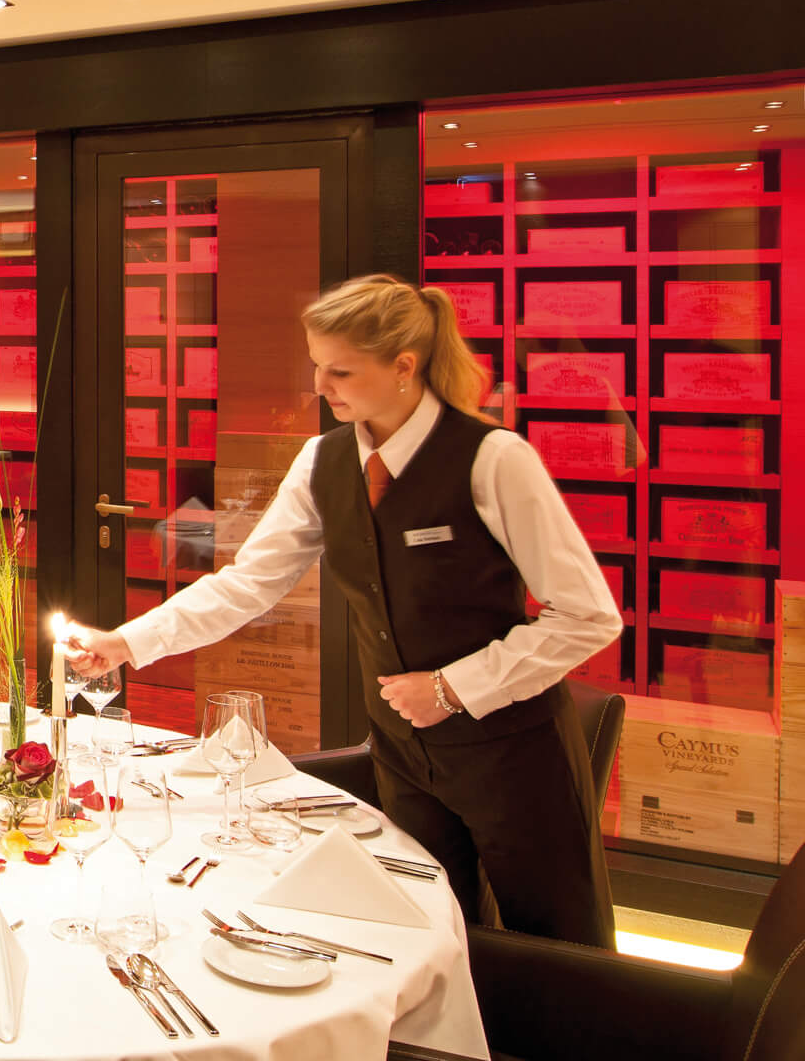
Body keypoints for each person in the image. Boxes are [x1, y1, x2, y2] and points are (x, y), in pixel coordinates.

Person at [66, 273, 622, 945]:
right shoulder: (321, 460)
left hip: (515, 756)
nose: (320, 388)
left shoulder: (493, 459)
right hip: (402, 754)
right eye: (316, 368)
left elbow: (587, 615)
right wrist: (128, 642)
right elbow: (249, 584)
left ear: (404, 367)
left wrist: (452, 688)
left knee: (556, 948)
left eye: (340, 372)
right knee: (428, 934)